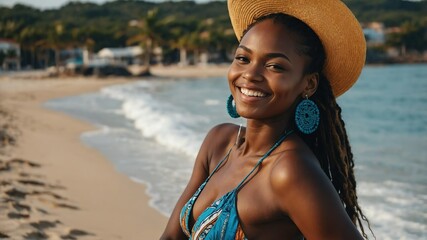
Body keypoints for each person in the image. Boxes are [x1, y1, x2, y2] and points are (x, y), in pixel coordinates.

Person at [161, 0, 373, 239]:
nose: (250, 74)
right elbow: (171, 237)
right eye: (243, 58)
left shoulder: (289, 171)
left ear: (308, 83)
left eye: (275, 66)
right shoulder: (219, 142)